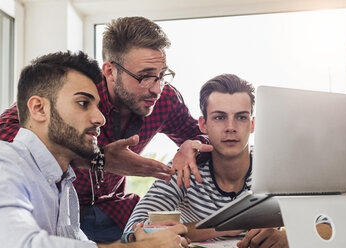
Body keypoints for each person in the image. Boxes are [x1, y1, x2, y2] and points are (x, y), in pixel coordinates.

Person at [0, 16, 211, 242]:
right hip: (57, 205)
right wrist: (99, 160)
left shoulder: (165, 101)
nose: (156, 88)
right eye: (145, 77)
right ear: (110, 71)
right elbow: (1, 140)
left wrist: (190, 146)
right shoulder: (78, 88)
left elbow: (203, 137)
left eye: (162, 75)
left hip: (110, 210)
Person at [123, 74, 289, 247]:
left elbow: (319, 221)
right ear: (203, 124)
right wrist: (222, 227)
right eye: (219, 117)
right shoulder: (185, 167)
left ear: (252, 124)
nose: (230, 128)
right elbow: (135, 230)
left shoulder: (274, 167)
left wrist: (287, 238)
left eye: (241, 117)